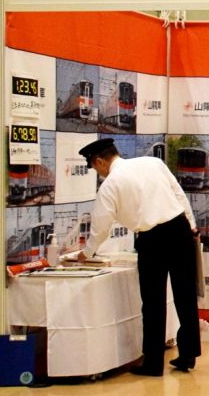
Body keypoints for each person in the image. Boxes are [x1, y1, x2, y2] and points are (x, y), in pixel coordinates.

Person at [75, 138, 201, 377]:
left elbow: (101, 227)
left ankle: (153, 363)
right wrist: (191, 225)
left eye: (95, 168)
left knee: (153, 303)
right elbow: (179, 194)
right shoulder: (153, 163)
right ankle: (188, 355)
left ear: (100, 162)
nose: (99, 173)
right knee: (185, 295)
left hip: (152, 240)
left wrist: (86, 253)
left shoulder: (110, 184)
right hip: (180, 231)